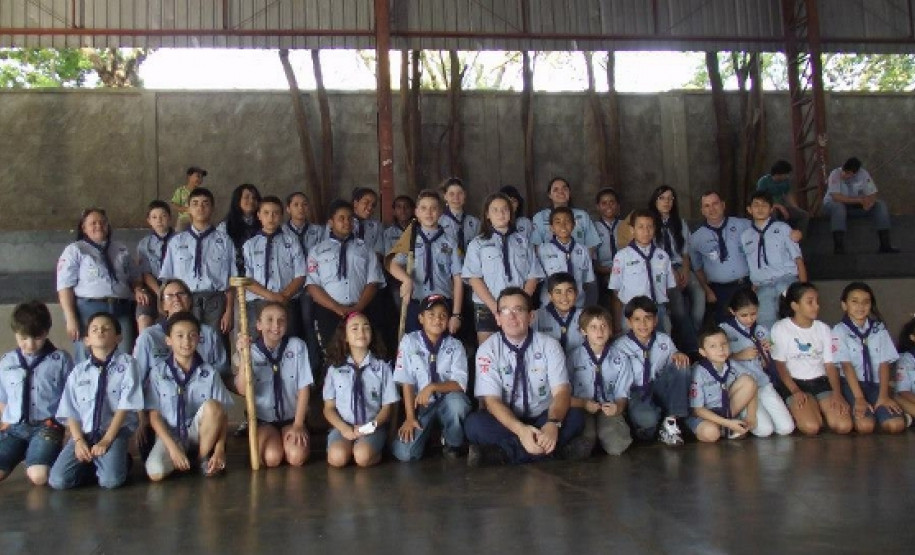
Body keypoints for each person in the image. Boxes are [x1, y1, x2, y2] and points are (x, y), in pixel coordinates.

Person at [464, 288, 586, 465]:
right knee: (474, 425)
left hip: (544, 415)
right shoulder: (487, 350)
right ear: (497, 318)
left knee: (575, 416)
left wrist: (553, 424)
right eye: (505, 311)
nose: (512, 317)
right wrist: (521, 431)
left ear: (531, 316)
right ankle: (555, 451)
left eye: (519, 310)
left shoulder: (549, 345)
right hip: (507, 421)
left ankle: (502, 455)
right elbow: (492, 401)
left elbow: (561, 392)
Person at [49, 312, 143, 490]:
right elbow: (70, 410)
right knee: (58, 481)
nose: (100, 331)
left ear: (118, 337)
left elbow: (125, 406)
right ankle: (96, 464)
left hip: (113, 432)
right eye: (95, 329)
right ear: (86, 340)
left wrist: (107, 440)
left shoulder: (128, 365)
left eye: (106, 328)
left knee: (110, 481)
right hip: (85, 433)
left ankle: (120, 461)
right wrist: (78, 441)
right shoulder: (78, 371)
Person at [145, 312, 232, 480]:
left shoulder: (209, 372)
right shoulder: (158, 373)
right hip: (171, 435)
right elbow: (154, 417)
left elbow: (223, 416)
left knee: (214, 406)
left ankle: (202, 459)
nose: (186, 341)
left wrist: (220, 450)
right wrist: (173, 449)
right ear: (168, 340)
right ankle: (182, 458)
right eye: (179, 336)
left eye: (192, 335)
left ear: (199, 339)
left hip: (198, 435)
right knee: (155, 472)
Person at [57, 207, 148, 362]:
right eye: (93, 223)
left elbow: (134, 276)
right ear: (84, 228)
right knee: (87, 355)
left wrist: (138, 289)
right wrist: (70, 317)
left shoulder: (120, 248)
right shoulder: (75, 250)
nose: (98, 226)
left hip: (121, 308)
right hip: (89, 309)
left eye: (102, 222)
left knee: (125, 354)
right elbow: (64, 286)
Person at [0, 301, 73, 486]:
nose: (30, 344)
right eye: (23, 338)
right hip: (15, 428)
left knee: (39, 477)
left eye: (37, 337)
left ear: (47, 331)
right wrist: (5, 420)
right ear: (16, 333)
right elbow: (3, 396)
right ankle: (25, 451)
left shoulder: (61, 359)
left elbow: (70, 396)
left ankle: (37, 454)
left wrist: (69, 427)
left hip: (46, 426)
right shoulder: (7, 361)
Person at [392, 295, 471, 461]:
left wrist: (432, 387)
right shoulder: (409, 342)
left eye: (443, 315)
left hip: (447, 401)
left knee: (458, 403)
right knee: (404, 454)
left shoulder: (455, 346)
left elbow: (460, 383)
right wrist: (410, 417)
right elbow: (406, 381)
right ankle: (426, 437)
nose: (437, 319)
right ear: (421, 318)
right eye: (431, 315)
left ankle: (452, 443)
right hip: (421, 404)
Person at [234, 302, 313, 467]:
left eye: (281, 320)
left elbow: (304, 387)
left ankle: (287, 439)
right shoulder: (251, 350)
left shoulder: (297, 346)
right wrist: (243, 357)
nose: (276, 326)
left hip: (292, 418)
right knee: (272, 458)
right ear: (259, 325)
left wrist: (298, 425)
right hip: (264, 421)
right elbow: (242, 390)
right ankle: (275, 441)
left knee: (296, 457)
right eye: (269, 320)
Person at [306, 199, 386, 360]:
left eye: (350, 218)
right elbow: (312, 286)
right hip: (329, 311)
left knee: (361, 352)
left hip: (361, 310)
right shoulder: (317, 251)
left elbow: (373, 281)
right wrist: (336, 307)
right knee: (332, 355)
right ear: (331, 222)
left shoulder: (365, 249)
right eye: (341, 218)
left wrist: (358, 307)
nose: (346, 222)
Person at [770, 282, 853, 436]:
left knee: (844, 426)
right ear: (795, 306)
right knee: (811, 427)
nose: (816, 306)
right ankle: (807, 410)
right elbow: (780, 366)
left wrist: (837, 393)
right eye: (810, 302)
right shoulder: (780, 328)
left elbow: (830, 365)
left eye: (817, 301)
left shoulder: (823, 328)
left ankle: (818, 408)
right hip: (795, 383)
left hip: (821, 382)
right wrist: (795, 391)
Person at [462, 193, 544, 345]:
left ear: (511, 213)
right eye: (495, 210)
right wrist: (496, 309)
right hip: (487, 306)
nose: (501, 214)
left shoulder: (523, 242)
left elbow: (533, 275)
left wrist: (521, 304)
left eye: (505, 209)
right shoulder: (477, 244)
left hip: (518, 307)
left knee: (520, 347)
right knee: (488, 352)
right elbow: (474, 278)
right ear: (487, 214)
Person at [159, 187, 236, 341]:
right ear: (188, 209)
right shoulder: (176, 242)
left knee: (216, 343)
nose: (200, 208)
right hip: (184, 300)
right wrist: (167, 308)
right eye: (195, 203)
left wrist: (229, 311)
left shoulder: (224, 241)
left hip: (215, 300)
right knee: (186, 342)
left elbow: (231, 280)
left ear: (212, 208)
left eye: (205, 203)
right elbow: (167, 280)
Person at [322, 312, 398, 468]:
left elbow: (387, 407)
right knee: (337, 458)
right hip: (343, 425)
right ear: (345, 337)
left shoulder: (382, 367)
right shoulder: (335, 369)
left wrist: (371, 426)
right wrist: (344, 429)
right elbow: (328, 408)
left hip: (372, 426)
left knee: (362, 457)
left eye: (366, 328)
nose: (361, 333)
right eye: (354, 329)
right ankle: (349, 448)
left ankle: (369, 452)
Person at [613, 296, 691, 445]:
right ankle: (651, 423)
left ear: (655, 320)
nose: (643, 324)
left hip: (658, 386)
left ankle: (671, 419)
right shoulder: (620, 346)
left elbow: (674, 368)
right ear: (629, 323)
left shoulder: (664, 340)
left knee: (682, 365)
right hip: (636, 392)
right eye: (637, 319)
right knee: (648, 423)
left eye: (648, 318)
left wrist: (677, 354)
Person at [832, 282, 905, 434]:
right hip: (852, 385)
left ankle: (880, 413)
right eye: (854, 301)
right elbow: (846, 366)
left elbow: (884, 364)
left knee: (896, 426)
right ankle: (869, 415)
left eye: (866, 301)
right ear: (844, 305)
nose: (861, 306)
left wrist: (884, 396)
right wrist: (859, 398)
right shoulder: (839, 330)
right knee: (865, 427)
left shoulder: (879, 329)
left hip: (876, 385)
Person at [720, 289, 795, 437]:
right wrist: (737, 355)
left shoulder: (761, 330)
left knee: (787, 428)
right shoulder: (724, 330)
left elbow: (769, 364)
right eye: (744, 315)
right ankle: (741, 415)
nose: (749, 319)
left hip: (763, 383)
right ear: (732, 311)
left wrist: (767, 352)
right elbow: (716, 359)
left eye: (753, 314)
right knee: (764, 431)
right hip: (742, 386)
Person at [387, 190, 463, 335]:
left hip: (443, 304)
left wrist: (456, 314)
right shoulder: (409, 239)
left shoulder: (450, 242)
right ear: (416, 212)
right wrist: (406, 279)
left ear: (440, 212)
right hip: (417, 304)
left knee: (442, 348)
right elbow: (393, 264)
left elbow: (458, 279)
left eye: (433, 208)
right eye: (423, 208)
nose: (429, 212)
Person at [566, 306, 633, 456]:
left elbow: (622, 393)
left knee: (616, 446)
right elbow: (564, 393)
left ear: (610, 330)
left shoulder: (620, 358)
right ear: (583, 331)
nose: (599, 331)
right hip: (582, 407)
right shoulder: (573, 358)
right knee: (584, 443)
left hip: (608, 406)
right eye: (593, 327)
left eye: (604, 326)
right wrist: (583, 404)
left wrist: (618, 408)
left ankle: (605, 436)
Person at [648, 185, 704, 354]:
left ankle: (692, 335)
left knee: (699, 296)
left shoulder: (679, 223)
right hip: (662, 269)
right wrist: (671, 270)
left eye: (670, 198)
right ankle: (691, 348)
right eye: (662, 198)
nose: (667, 202)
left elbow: (685, 252)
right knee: (678, 305)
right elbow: (655, 252)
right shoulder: (649, 223)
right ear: (655, 200)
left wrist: (686, 271)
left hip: (681, 265)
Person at [241, 196, 306, 338]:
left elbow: (300, 274)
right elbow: (247, 279)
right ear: (258, 215)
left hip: (287, 300)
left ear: (282, 216)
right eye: (266, 213)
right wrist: (271, 296)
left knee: (289, 340)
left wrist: (284, 295)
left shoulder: (291, 241)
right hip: (258, 302)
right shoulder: (250, 245)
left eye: (276, 213)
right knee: (257, 343)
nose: (271, 217)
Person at [741, 191, 807, 330]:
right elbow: (751, 265)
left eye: (764, 205)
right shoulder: (746, 236)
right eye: (756, 205)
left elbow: (798, 259)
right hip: (763, 286)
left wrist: (804, 288)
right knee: (765, 325)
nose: (760, 208)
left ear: (771, 209)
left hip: (786, 281)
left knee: (795, 320)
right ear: (749, 209)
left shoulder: (783, 229)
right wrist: (754, 287)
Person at [689, 191, 752, 324]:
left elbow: (764, 228)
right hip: (720, 291)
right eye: (707, 206)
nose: (712, 209)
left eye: (715, 204)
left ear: (723, 205)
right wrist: (707, 291)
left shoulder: (744, 225)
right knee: (726, 328)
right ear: (702, 211)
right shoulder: (696, 239)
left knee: (750, 323)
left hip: (746, 285)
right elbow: (697, 268)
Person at [610, 209, 676, 333]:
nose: (646, 231)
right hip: (633, 311)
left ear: (655, 229)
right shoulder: (622, 256)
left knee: (662, 343)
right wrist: (617, 321)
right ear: (632, 230)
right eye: (640, 227)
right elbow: (616, 290)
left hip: (659, 310)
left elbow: (667, 287)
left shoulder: (662, 256)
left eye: (649, 226)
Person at [688, 327, 758, 443]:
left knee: (748, 381)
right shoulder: (698, 371)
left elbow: (753, 384)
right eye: (713, 346)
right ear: (703, 352)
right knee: (711, 434)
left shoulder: (731, 365)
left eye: (724, 344)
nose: (720, 349)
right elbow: (698, 410)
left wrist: (751, 416)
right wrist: (729, 423)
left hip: (725, 410)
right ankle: (725, 428)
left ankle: (726, 428)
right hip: (704, 415)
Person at [821, 157, 898, 254]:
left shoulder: (863, 174)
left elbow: (872, 192)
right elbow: (836, 197)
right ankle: (838, 246)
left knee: (880, 205)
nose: (845, 175)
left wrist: (870, 203)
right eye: (844, 172)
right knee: (838, 207)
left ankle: (885, 244)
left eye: (848, 173)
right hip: (833, 206)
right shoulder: (835, 174)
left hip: (854, 206)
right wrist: (859, 200)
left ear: (855, 173)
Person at [283, 191, 325, 364]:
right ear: (288, 209)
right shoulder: (281, 232)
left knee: (310, 325)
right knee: (291, 327)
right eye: (296, 204)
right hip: (290, 287)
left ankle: (314, 367)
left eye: (305, 204)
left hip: (312, 286)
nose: (301, 208)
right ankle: (294, 365)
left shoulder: (318, 231)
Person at [535, 206, 596, 308]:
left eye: (567, 221)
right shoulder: (542, 250)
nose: (563, 225)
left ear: (574, 225)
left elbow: (587, 280)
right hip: (550, 304)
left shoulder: (583, 250)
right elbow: (538, 281)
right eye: (558, 222)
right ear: (551, 228)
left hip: (578, 304)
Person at [530, 176, 601, 250]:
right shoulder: (539, 217)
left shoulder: (583, 215)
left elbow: (591, 245)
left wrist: (583, 260)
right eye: (555, 189)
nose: (561, 192)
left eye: (564, 189)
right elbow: (536, 246)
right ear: (550, 195)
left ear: (569, 192)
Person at [136, 200, 174, 333]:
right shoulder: (144, 244)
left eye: (163, 216)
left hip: (174, 286)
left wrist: (168, 293)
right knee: (143, 317)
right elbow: (145, 272)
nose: (159, 220)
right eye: (154, 217)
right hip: (153, 287)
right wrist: (159, 293)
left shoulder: (180, 240)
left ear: (169, 218)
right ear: (149, 220)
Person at [592, 187, 623, 321]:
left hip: (625, 270)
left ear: (617, 205)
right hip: (603, 271)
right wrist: (606, 270)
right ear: (598, 207)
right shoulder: (593, 227)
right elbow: (592, 258)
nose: (608, 206)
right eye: (604, 203)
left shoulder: (625, 226)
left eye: (612, 202)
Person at [756, 160, 810, 236]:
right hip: (769, 208)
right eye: (786, 174)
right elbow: (761, 200)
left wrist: (795, 207)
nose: (787, 176)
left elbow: (788, 195)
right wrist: (779, 206)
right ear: (779, 174)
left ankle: (798, 239)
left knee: (804, 215)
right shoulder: (763, 182)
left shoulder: (785, 182)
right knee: (774, 214)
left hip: (783, 208)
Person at [534, 272, 584, 353]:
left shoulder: (585, 316)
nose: (564, 297)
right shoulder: (537, 317)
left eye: (569, 291)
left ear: (576, 293)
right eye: (558, 292)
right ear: (550, 296)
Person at [219, 183, 262, 277]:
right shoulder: (225, 226)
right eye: (246, 197)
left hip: (260, 276)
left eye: (254, 198)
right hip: (235, 277)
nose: (251, 201)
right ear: (237, 200)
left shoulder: (264, 224)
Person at [438, 177, 481, 258]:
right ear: (445, 196)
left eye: (460, 193)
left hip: (471, 267)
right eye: (451, 194)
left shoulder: (475, 222)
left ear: (465, 195)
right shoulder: (439, 222)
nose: (456, 197)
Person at [170, 166, 207, 232]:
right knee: (179, 236)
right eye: (198, 176)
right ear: (189, 176)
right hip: (184, 219)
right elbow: (174, 205)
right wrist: (186, 209)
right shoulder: (180, 191)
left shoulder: (201, 192)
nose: (200, 179)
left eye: (202, 177)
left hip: (198, 219)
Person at [893, 318, 915, 426]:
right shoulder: (906, 360)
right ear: (912, 337)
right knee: (898, 398)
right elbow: (904, 392)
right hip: (909, 399)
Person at [350, 187, 385, 255]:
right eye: (366, 202)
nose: (370, 208)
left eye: (373, 205)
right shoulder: (345, 224)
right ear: (355, 203)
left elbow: (378, 252)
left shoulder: (377, 226)